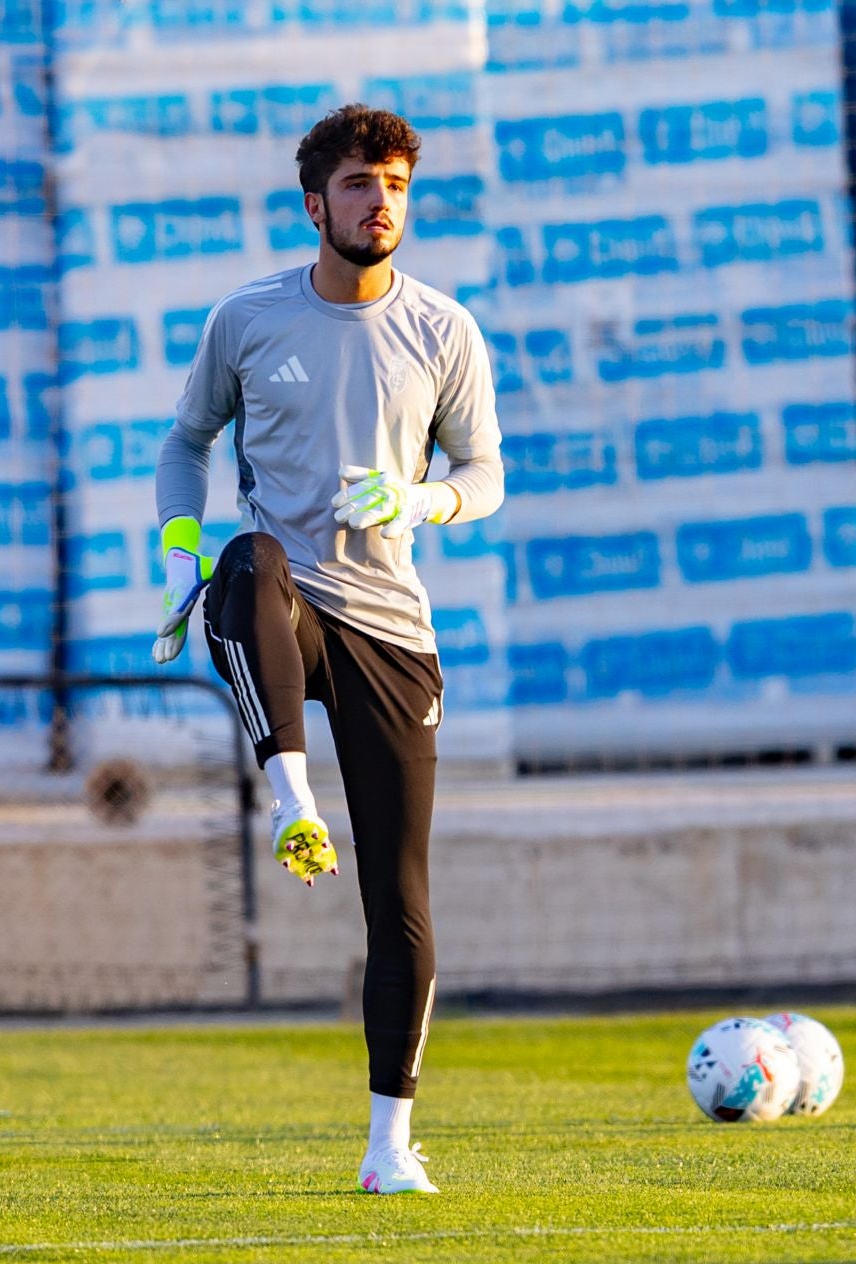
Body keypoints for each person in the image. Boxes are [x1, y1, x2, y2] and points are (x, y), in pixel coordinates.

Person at [150, 104, 504, 1195]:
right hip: (285, 599)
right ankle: (291, 798)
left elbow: (487, 473)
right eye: (359, 184)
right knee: (247, 559)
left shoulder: (445, 329)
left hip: (393, 628)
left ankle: (390, 1147)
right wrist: (177, 560)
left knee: (399, 897)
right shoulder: (247, 320)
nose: (379, 202)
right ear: (317, 205)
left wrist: (425, 495)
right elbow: (185, 439)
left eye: (395, 183)